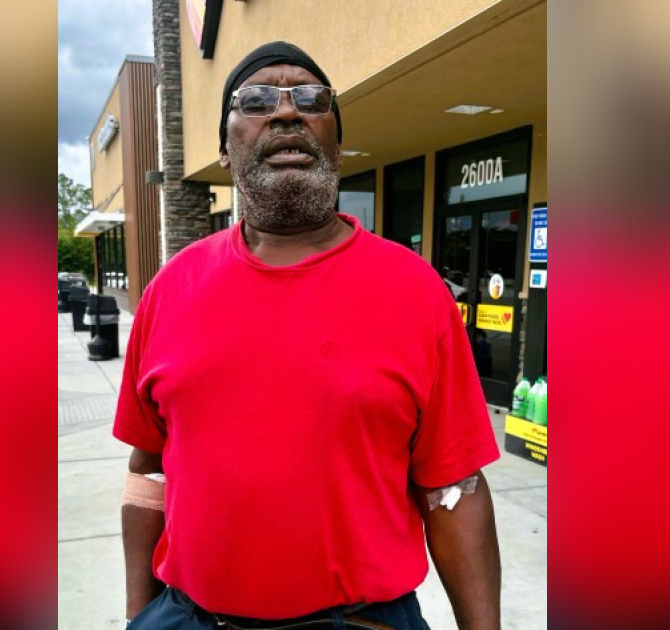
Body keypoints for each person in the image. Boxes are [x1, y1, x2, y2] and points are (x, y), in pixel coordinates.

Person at [114, 41, 502, 630]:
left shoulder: (414, 291)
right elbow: (149, 472)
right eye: (256, 100)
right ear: (225, 150)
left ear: (337, 145)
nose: (287, 111)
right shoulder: (171, 289)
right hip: (191, 618)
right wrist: (138, 617)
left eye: (312, 99)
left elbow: (455, 487)